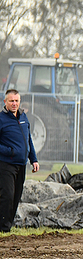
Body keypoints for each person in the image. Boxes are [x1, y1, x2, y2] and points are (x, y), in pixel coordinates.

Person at [0, 89, 39, 233]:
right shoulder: (1, 119)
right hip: (6, 164)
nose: (14, 103)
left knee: (16, 196)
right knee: (7, 196)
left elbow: (28, 140)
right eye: (11, 101)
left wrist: (33, 159)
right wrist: (10, 151)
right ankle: (3, 228)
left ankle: (7, 225)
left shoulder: (24, 117)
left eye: (16, 101)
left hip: (21, 165)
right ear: (5, 102)